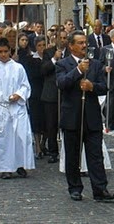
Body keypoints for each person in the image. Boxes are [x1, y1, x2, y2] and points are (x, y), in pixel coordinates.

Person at [56, 31, 114, 202]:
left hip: (92, 116)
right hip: (72, 117)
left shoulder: (95, 65)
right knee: (73, 156)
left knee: (96, 156)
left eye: (85, 43)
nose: (84, 46)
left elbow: (104, 87)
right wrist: (77, 70)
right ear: (71, 46)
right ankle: (75, 188)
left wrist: (92, 87)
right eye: (80, 43)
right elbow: (62, 83)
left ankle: (100, 189)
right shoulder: (63, 64)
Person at [0, 38, 35, 179]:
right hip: (1, 109)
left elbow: (25, 85)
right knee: (3, 140)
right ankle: (5, 167)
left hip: (17, 108)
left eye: (6, 51)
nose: (3, 54)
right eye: (0, 52)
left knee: (20, 137)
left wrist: (19, 95)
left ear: (10, 51)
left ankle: (20, 164)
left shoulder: (18, 68)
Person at [40, 30, 69, 163]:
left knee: (66, 124)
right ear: (56, 39)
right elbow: (44, 70)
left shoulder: (69, 53)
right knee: (51, 125)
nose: (63, 40)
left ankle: (67, 150)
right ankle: (53, 151)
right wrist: (54, 59)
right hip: (51, 93)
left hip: (66, 93)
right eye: (61, 38)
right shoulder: (48, 52)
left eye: (65, 38)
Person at [23, 36, 46, 159]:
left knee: (48, 120)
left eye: (44, 45)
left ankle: (43, 143)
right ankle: (37, 145)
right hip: (36, 92)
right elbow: (34, 74)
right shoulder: (31, 60)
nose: (42, 48)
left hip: (47, 91)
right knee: (36, 119)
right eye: (40, 45)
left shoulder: (50, 58)